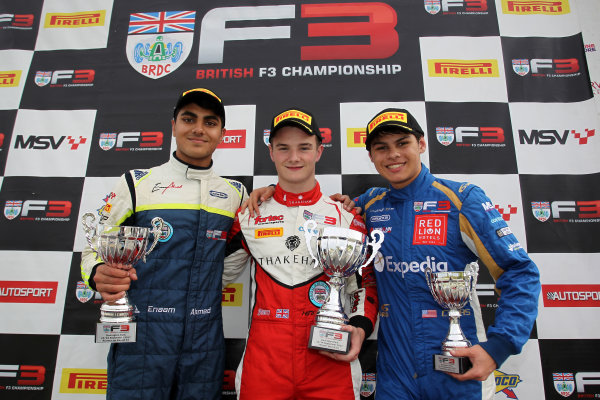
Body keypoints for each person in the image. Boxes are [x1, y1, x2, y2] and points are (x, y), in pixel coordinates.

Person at [244, 108, 541, 400]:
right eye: (381, 148)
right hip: (395, 371)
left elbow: (519, 272)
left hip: (460, 362)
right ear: (371, 156)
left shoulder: (462, 199)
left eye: (403, 143)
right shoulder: (369, 205)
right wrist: (274, 193)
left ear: (421, 144)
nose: (393, 155)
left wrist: (500, 345)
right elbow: (310, 203)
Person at [81, 88, 248, 400]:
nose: (198, 129)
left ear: (222, 134)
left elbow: (238, 253)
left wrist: (209, 282)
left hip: (204, 341)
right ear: (173, 125)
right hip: (142, 339)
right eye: (189, 119)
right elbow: (95, 246)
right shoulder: (136, 182)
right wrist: (97, 271)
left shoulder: (236, 194)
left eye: (210, 122)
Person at [222, 108, 378, 400]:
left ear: (319, 151)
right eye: (284, 148)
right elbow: (216, 275)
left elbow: (364, 286)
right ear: (271, 152)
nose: (294, 157)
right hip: (265, 361)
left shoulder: (347, 217)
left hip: (331, 358)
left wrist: (359, 327)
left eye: (304, 147)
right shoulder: (249, 216)